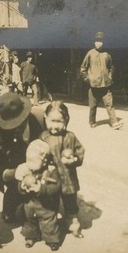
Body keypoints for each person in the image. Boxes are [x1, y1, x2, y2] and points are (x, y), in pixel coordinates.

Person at [0, 91, 45, 223]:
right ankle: (11, 202)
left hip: (38, 161)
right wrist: (10, 174)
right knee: (15, 190)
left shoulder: (40, 118)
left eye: (20, 122)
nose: (17, 127)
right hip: (13, 166)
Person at [3, 140, 61, 251]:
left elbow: (55, 187)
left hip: (45, 207)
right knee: (29, 222)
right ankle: (31, 237)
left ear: (44, 162)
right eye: (28, 160)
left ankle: (52, 240)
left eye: (33, 161)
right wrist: (22, 187)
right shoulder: (26, 170)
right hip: (30, 205)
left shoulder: (50, 172)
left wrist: (41, 188)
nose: (29, 163)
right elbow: (19, 185)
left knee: (48, 223)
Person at [40, 101, 85, 237]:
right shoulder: (43, 137)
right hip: (51, 177)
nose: (55, 126)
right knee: (51, 201)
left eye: (59, 121)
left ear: (66, 120)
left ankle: (72, 223)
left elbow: (80, 150)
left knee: (70, 201)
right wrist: (44, 164)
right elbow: (38, 154)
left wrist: (74, 159)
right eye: (52, 121)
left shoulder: (70, 136)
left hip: (68, 178)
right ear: (45, 118)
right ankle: (52, 225)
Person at [80, 31, 122, 129]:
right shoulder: (90, 53)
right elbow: (83, 68)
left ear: (104, 43)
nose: (98, 43)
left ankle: (114, 122)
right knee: (93, 106)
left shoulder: (107, 54)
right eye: (96, 41)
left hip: (105, 85)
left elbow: (111, 67)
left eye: (100, 41)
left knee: (109, 104)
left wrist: (110, 77)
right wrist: (87, 78)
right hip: (94, 85)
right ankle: (92, 121)